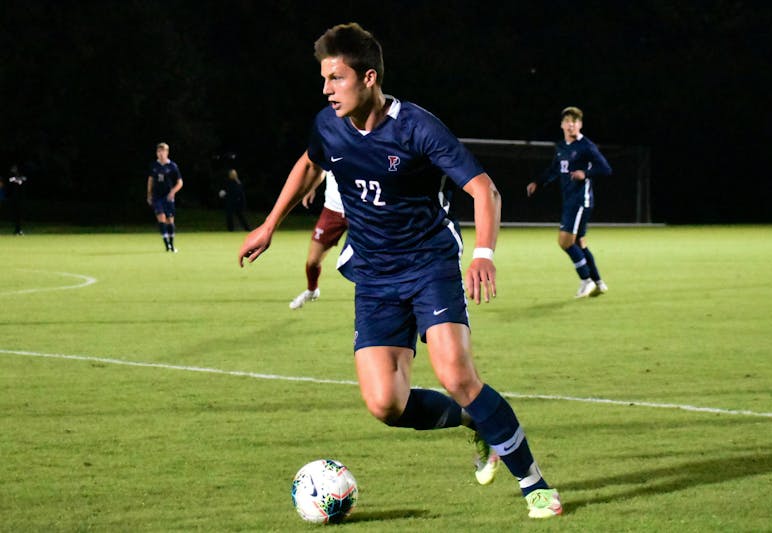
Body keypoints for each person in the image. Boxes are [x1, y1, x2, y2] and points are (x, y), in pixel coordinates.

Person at [238, 23, 561, 519]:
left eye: (336, 78)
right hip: (373, 274)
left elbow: (484, 191)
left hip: (428, 263)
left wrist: (483, 254)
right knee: (385, 404)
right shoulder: (328, 125)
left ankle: (533, 483)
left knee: (455, 373)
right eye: (323, 78)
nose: (326, 89)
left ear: (368, 77)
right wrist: (269, 223)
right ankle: (477, 423)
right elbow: (308, 162)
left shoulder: (417, 128)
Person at [526, 106, 612, 298]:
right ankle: (598, 282)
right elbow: (555, 169)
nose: (571, 125)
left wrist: (586, 174)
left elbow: (606, 168)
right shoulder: (561, 147)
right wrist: (538, 183)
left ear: (580, 125)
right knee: (580, 242)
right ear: (562, 125)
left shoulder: (586, 146)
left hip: (580, 200)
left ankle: (586, 280)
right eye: (568, 121)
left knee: (564, 242)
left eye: (575, 121)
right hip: (569, 199)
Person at [289, 170, 347, 309]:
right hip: (332, 211)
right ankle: (312, 290)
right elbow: (322, 171)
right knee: (313, 261)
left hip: (360, 209)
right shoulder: (331, 148)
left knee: (369, 260)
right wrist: (312, 187)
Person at [146, 142, 183, 252]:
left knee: (170, 221)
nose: (160, 154)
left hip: (168, 197)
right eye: (158, 152)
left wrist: (173, 192)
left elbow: (180, 182)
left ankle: (172, 243)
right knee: (161, 217)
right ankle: (167, 245)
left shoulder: (172, 166)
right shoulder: (154, 166)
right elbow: (150, 180)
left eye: (162, 151)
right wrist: (149, 194)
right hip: (157, 196)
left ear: (167, 152)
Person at [6, 165, 28, 235]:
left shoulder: (19, 175)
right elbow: (10, 180)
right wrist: (17, 179)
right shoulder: (10, 176)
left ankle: (18, 230)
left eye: (15, 168)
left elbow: (24, 179)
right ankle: (17, 230)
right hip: (13, 198)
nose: (14, 170)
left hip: (20, 198)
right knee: (15, 215)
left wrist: (18, 179)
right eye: (13, 168)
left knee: (19, 215)